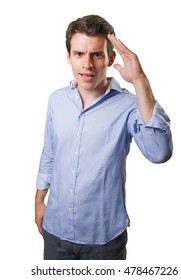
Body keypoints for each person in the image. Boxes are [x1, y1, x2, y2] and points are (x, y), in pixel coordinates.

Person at [35, 14, 173, 260]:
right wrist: (38, 200)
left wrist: (140, 81)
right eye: (79, 54)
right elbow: (50, 152)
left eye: (96, 55)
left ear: (110, 58)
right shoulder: (56, 100)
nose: (87, 64)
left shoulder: (131, 105)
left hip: (104, 240)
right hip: (55, 232)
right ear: (69, 56)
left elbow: (159, 152)